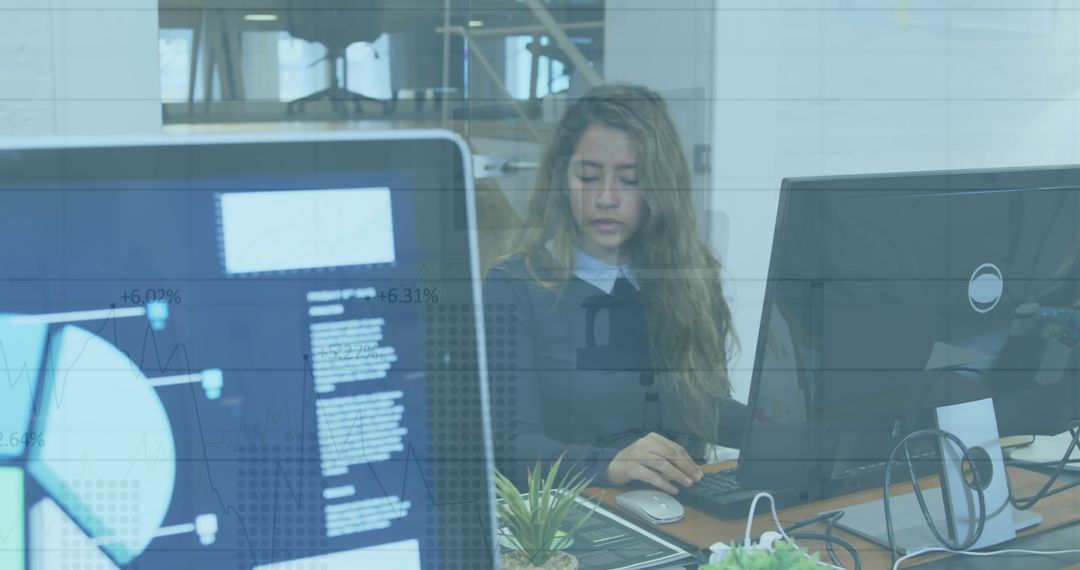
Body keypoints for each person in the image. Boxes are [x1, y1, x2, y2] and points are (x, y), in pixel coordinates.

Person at [483, 83, 745, 495]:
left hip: (680, 511)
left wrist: (793, 429)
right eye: (588, 177)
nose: (606, 198)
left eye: (630, 180)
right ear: (561, 179)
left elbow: (706, 409)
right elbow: (510, 450)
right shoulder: (514, 286)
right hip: (572, 515)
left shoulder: (690, 276)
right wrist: (610, 464)